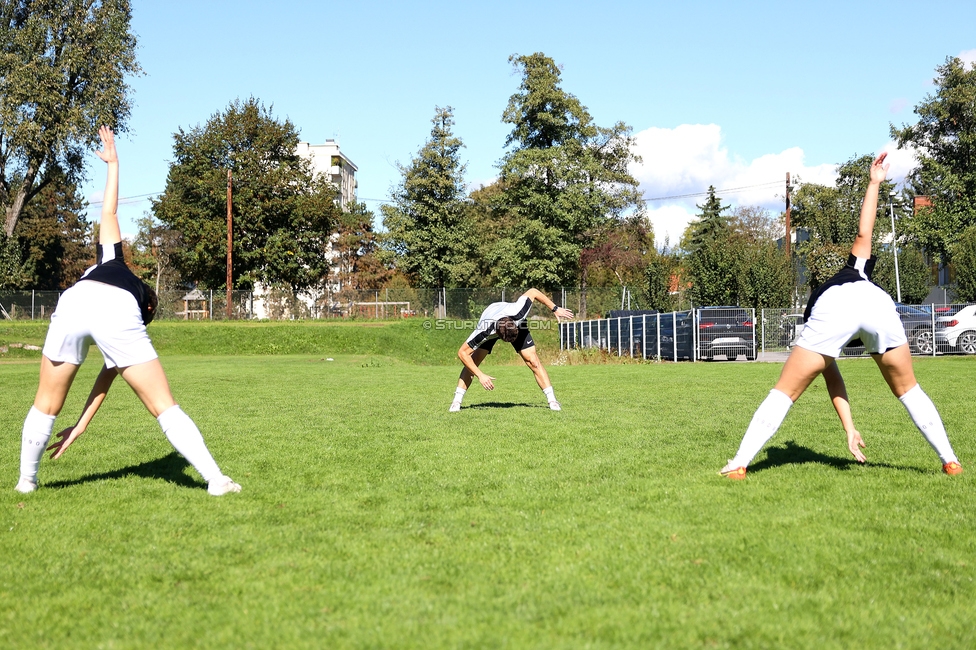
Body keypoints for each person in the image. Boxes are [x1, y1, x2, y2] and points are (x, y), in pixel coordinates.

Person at [15, 126, 241, 496]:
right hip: (112, 308)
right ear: (148, 305)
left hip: (74, 299)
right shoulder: (131, 298)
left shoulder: (110, 258)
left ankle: (27, 482)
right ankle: (216, 480)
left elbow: (107, 209)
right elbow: (110, 375)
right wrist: (114, 161)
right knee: (163, 406)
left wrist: (114, 163)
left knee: (45, 403)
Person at [720, 152, 962, 479]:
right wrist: (874, 183)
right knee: (909, 390)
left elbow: (831, 376)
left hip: (836, 309)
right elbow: (865, 233)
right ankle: (950, 461)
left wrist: (849, 426)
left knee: (784, 392)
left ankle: (739, 464)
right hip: (878, 304)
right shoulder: (857, 269)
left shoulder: (819, 302)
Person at [450, 289, 574, 412]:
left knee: (533, 361)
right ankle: (456, 401)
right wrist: (480, 375)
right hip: (491, 315)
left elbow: (533, 292)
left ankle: (552, 400)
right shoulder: (484, 331)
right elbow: (462, 353)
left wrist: (555, 308)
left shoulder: (518, 313)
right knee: (473, 361)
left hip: (513, 322)